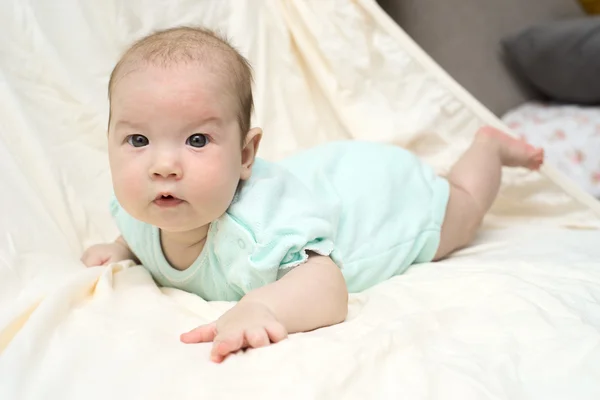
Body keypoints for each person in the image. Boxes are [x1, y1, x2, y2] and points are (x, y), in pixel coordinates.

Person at [81, 26, 544, 363]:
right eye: (138, 141)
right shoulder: (137, 212)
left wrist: (260, 306)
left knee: (462, 208)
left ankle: (487, 146)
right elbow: (137, 235)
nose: (163, 165)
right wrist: (120, 248)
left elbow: (329, 287)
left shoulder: (263, 231)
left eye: (197, 140)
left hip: (382, 197)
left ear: (246, 155)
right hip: (325, 175)